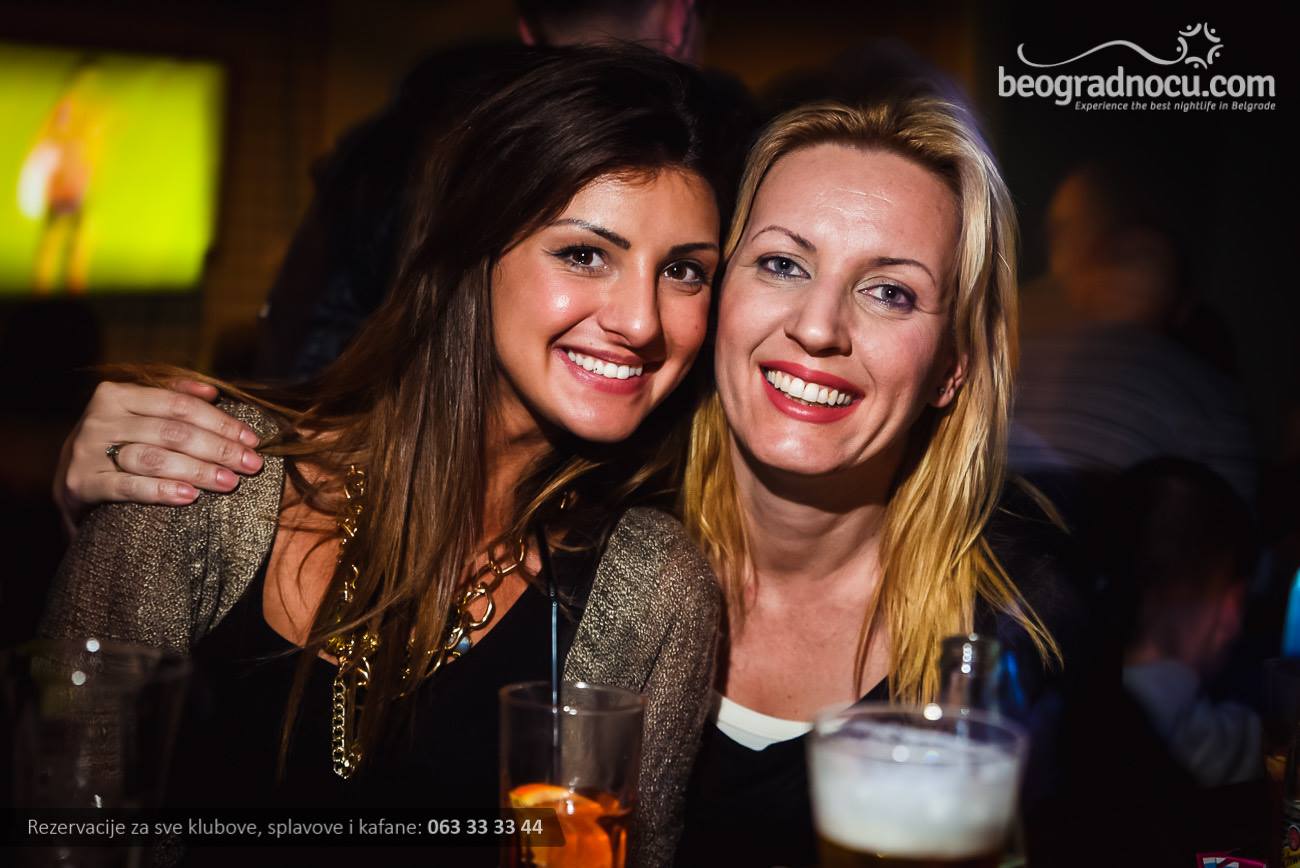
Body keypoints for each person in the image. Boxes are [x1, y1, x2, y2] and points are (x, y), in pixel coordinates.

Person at [60, 95, 1080, 866]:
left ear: (954, 365)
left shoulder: (1014, 637)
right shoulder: (612, 523)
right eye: (779, 264)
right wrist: (101, 499)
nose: (818, 327)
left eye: (891, 291)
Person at [41, 47, 730, 868]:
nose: (643, 321)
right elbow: (61, 822)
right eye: (585, 254)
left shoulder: (651, 592)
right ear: (473, 249)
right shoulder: (202, 474)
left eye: (684, 271)